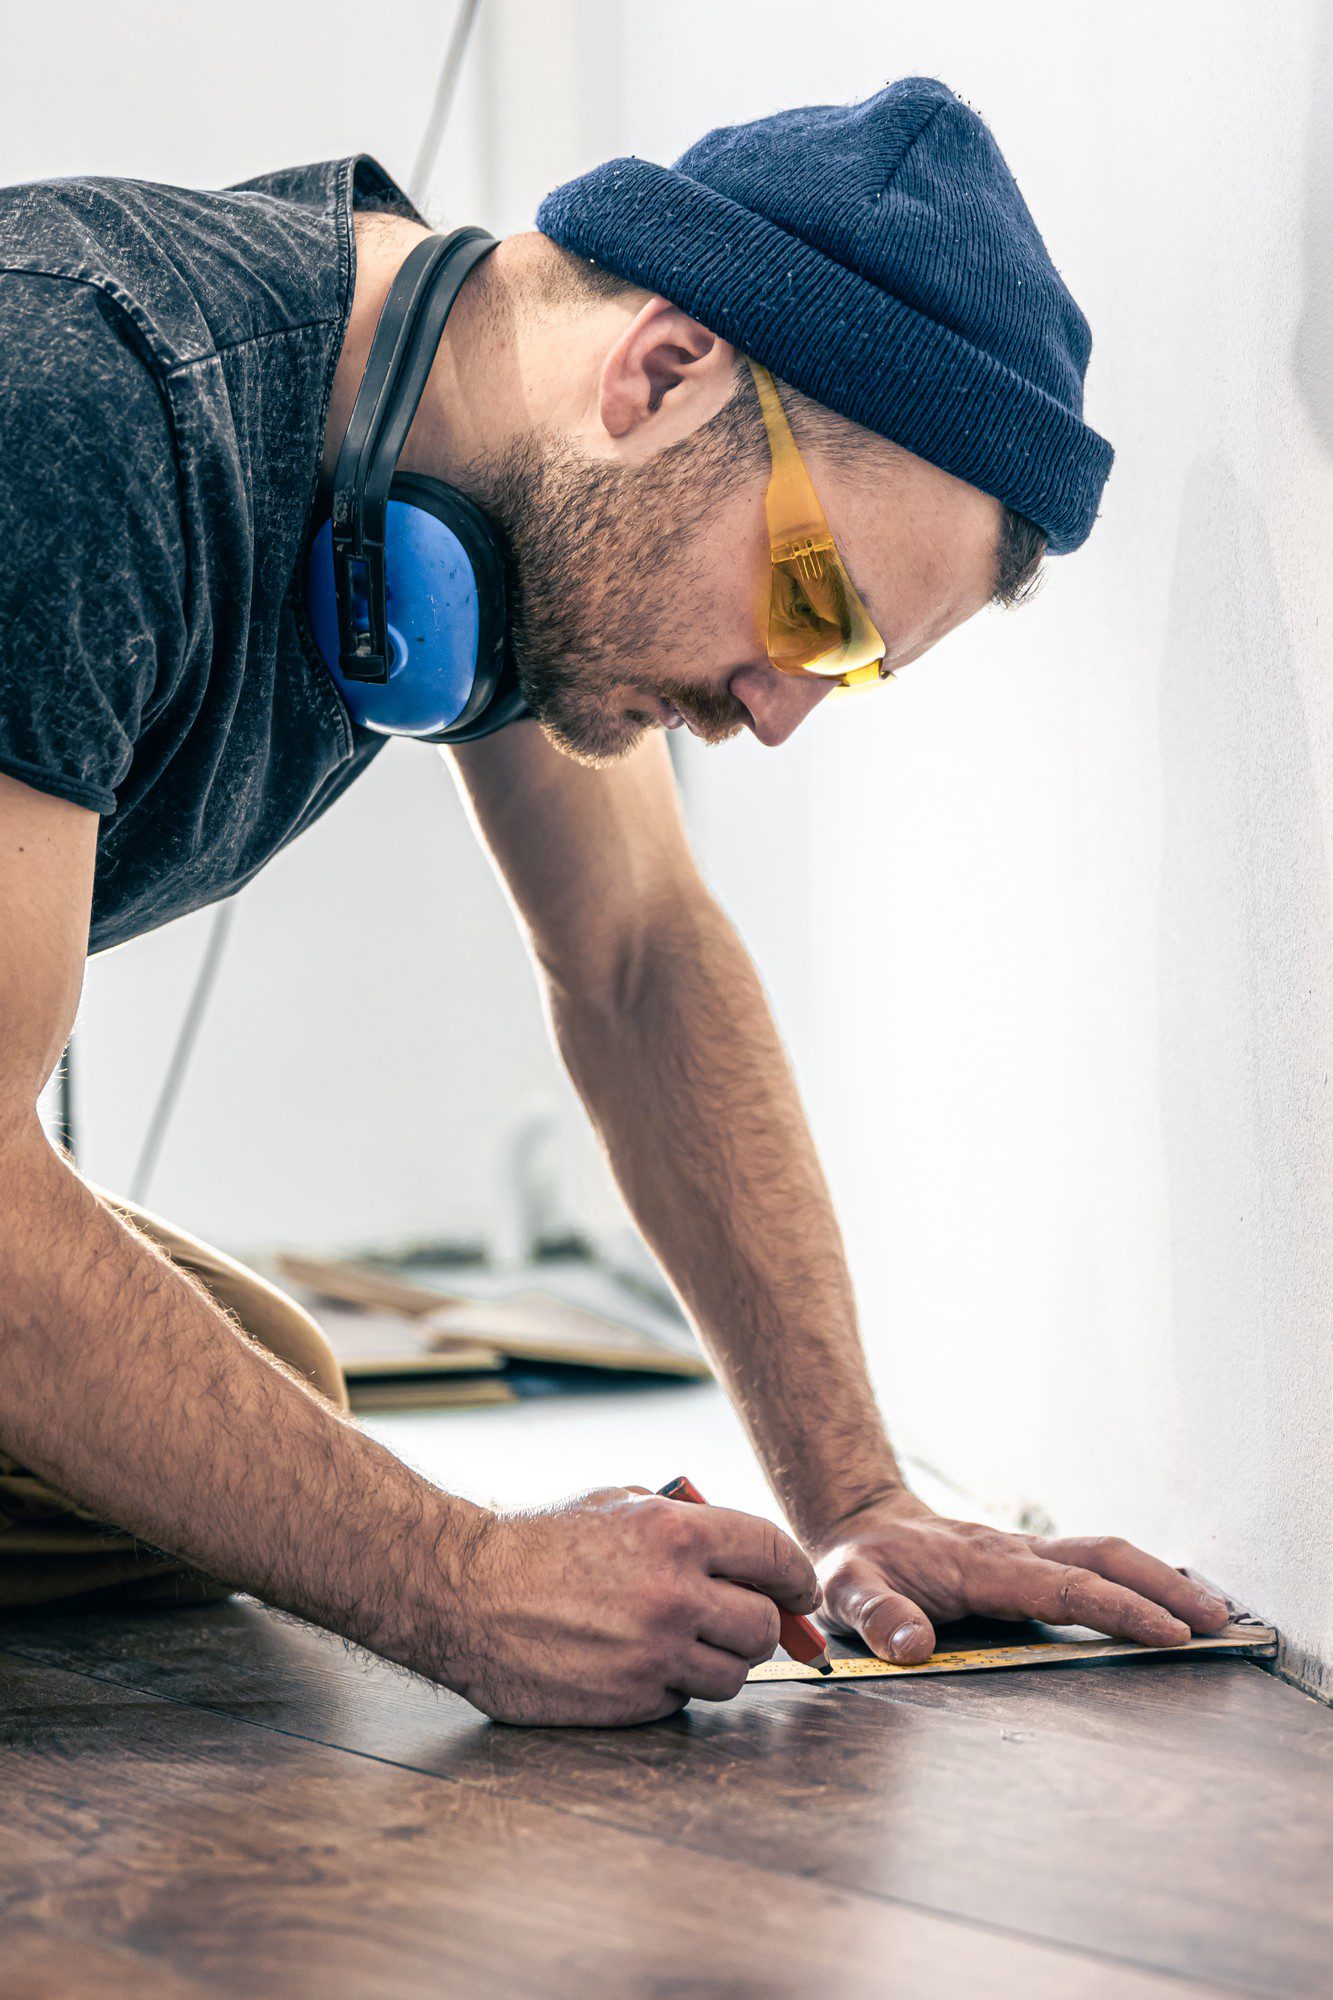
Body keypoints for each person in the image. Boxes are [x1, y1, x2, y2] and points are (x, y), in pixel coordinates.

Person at [0, 77, 1230, 1725]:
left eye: (844, 667)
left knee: (243, 1388)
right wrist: (455, 1582)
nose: (780, 709)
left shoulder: (479, 472)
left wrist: (856, 1495)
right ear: (662, 370)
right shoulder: (74, 400)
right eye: (810, 604)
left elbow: (639, 955)